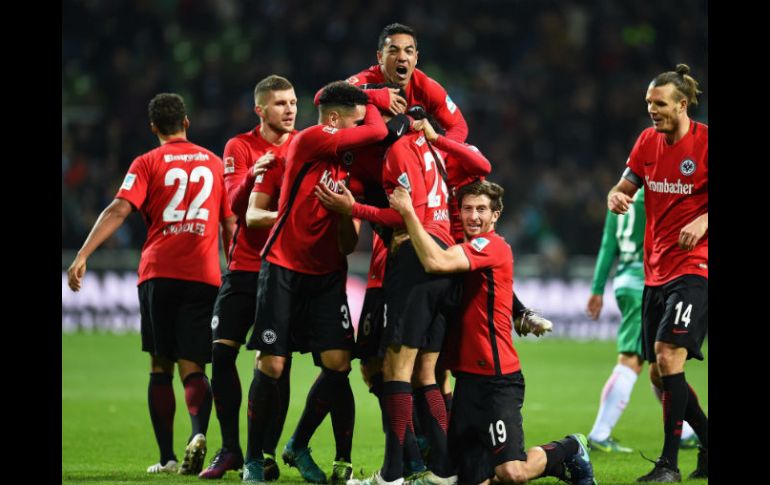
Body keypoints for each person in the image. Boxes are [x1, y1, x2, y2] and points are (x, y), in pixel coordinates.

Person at [66, 93, 235, 476]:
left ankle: (167, 457)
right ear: (187, 122)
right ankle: (197, 434)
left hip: (159, 272)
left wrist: (83, 253)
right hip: (204, 274)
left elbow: (119, 209)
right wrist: (237, 269)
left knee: (161, 366)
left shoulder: (146, 162)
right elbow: (229, 224)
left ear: (154, 127)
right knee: (194, 365)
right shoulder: (212, 162)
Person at [388, 180, 594, 485]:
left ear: (495, 215)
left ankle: (570, 448)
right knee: (470, 481)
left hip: (497, 383)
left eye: (482, 209)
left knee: (512, 473)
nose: (474, 216)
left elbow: (435, 261)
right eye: (468, 209)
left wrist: (408, 214)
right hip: (468, 384)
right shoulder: (466, 249)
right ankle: (554, 466)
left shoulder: (492, 246)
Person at [241, 81, 388, 485]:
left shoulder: (348, 170)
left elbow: (344, 245)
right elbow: (377, 131)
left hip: (326, 276)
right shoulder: (309, 140)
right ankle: (255, 460)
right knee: (271, 363)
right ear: (336, 120)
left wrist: (344, 211)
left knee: (338, 365)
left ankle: (299, 443)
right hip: (283, 266)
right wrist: (375, 98)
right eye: (354, 122)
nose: (362, 131)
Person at [606, 64, 708, 482]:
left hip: (695, 266)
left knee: (668, 356)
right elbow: (625, 185)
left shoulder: (705, 144)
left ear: (682, 104)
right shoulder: (647, 141)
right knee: (657, 371)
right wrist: (615, 195)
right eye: (649, 103)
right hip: (656, 270)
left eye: (660, 103)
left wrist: (704, 221)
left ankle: (669, 465)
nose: (652, 110)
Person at [199, 75, 298, 480]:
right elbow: (235, 206)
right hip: (243, 267)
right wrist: (253, 174)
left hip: (286, 271)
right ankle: (230, 450)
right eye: (280, 104)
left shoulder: (302, 145)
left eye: (293, 102)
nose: (290, 110)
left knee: (278, 363)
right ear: (260, 110)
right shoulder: (239, 147)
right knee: (221, 353)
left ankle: (268, 452)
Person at [585, 189, 699, 453]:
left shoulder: (619, 194)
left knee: (659, 364)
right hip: (647, 281)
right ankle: (600, 434)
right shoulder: (657, 193)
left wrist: (597, 288)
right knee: (633, 360)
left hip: (625, 278)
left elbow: (607, 244)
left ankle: (686, 432)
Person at [345, 22, 469, 143]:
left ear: (416, 58)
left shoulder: (426, 87)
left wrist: (441, 152)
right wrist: (374, 95)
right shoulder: (366, 80)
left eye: (408, 51)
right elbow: (328, 98)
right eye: (393, 51)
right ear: (380, 57)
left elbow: (458, 125)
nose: (402, 58)